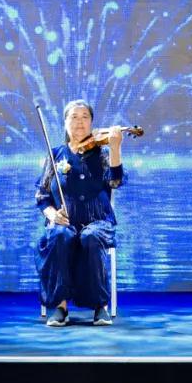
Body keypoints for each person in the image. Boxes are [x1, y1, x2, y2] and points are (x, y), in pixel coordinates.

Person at [35, 99, 125, 327]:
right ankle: (60, 307)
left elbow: (115, 181)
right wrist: (52, 215)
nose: (80, 122)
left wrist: (115, 147)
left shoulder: (102, 153)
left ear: (92, 122)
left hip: (98, 221)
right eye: (74, 117)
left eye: (85, 117)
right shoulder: (56, 155)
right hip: (65, 222)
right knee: (59, 236)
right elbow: (42, 196)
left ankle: (100, 306)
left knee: (91, 236)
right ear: (65, 123)